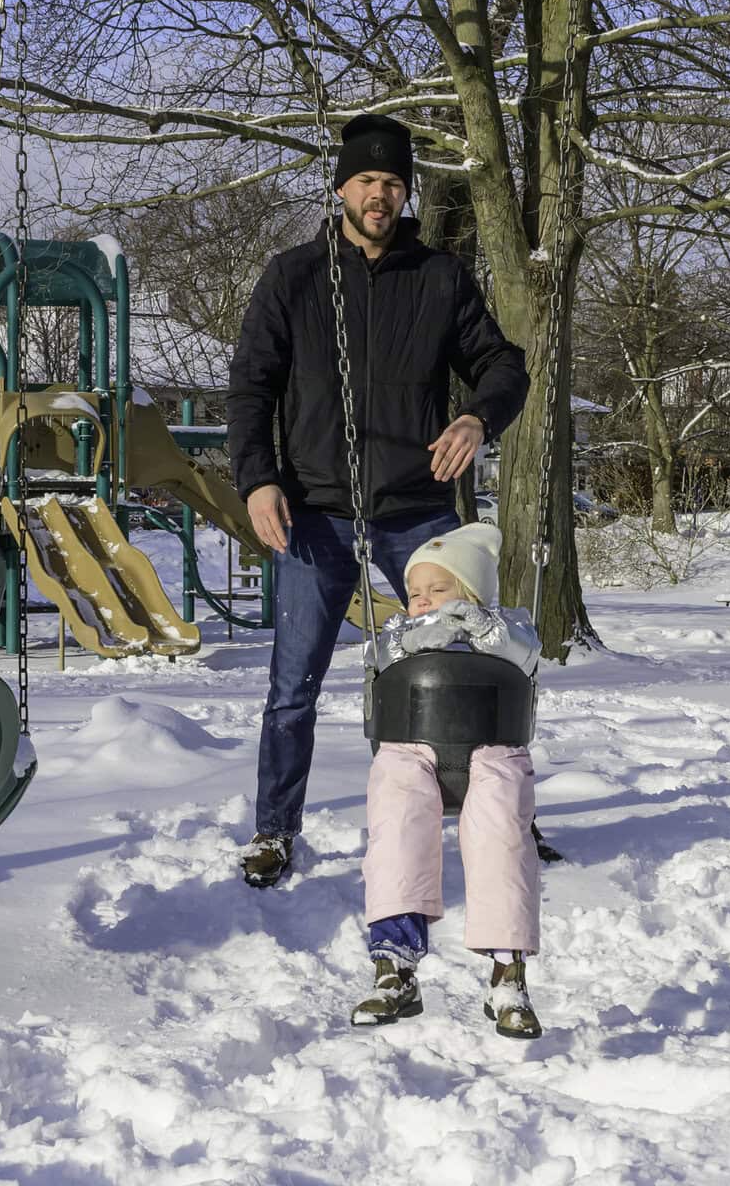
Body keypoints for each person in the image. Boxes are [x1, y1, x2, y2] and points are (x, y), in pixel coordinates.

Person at [227, 112, 529, 888]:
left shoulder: (439, 278)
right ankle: (273, 831)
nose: (380, 195)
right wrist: (258, 477)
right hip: (311, 509)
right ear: (340, 189)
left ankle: (495, 819)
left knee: (462, 662)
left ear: (406, 193)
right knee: (293, 684)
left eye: (394, 183)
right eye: (367, 180)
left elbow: (503, 364)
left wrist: (476, 414)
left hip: (416, 509)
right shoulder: (292, 277)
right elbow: (251, 388)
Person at [348, 524, 543, 1038]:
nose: (425, 601)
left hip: (492, 749)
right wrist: (410, 640)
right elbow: (376, 657)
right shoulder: (398, 631)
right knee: (397, 825)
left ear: (474, 592)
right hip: (412, 747)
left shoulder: (506, 624)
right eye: (415, 593)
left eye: (441, 590)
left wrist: (480, 629)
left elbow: (525, 653)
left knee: (503, 835)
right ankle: (395, 967)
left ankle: (508, 974)